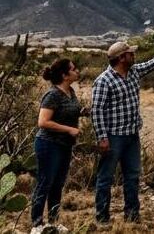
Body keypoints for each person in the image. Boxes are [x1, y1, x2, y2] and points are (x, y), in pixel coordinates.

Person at [91, 39, 154, 223]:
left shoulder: (134, 72)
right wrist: (102, 138)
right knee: (105, 178)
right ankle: (102, 219)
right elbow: (97, 111)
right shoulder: (103, 81)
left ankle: (132, 216)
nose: (134, 55)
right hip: (113, 137)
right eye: (130, 53)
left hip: (132, 135)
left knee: (132, 177)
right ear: (122, 58)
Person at [30, 58, 83, 231]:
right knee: (45, 182)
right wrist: (69, 129)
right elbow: (43, 122)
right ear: (64, 75)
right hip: (48, 144)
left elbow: (70, 111)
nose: (77, 71)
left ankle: (52, 222)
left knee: (58, 184)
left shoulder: (71, 91)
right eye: (73, 69)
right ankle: (37, 223)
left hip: (64, 145)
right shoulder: (53, 94)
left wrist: (83, 112)